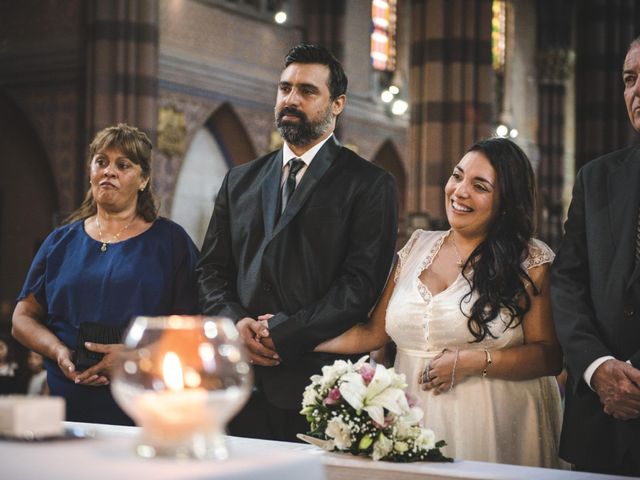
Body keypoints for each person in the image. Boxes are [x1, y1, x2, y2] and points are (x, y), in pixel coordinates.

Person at [307, 137, 566, 467]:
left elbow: (549, 356)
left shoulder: (530, 259)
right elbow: (374, 333)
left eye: (480, 186)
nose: (459, 192)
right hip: (416, 421)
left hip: (494, 421)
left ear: (505, 202)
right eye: (457, 176)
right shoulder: (416, 247)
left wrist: (473, 361)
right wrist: (293, 337)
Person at [196, 43, 398, 442]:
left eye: (307, 91)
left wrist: (285, 332)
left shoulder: (369, 184)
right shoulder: (240, 180)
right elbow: (210, 270)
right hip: (239, 384)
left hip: (322, 386)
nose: (291, 99)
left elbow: (359, 286)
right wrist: (237, 323)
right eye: (285, 88)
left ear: (337, 104)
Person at [12, 123, 199, 425]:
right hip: (66, 399)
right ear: (91, 172)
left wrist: (135, 357)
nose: (108, 171)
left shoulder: (172, 242)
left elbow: (194, 329)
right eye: (101, 161)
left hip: (142, 402)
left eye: (123, 165)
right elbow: (22, 318)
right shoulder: (60, 241)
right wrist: (58, 350)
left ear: (144, 179)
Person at [550, 37, 640, 477]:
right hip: (598, 424)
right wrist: (597, 366)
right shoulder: (597, 177)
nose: (636, 90)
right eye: (629, 79)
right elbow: (567, 282)